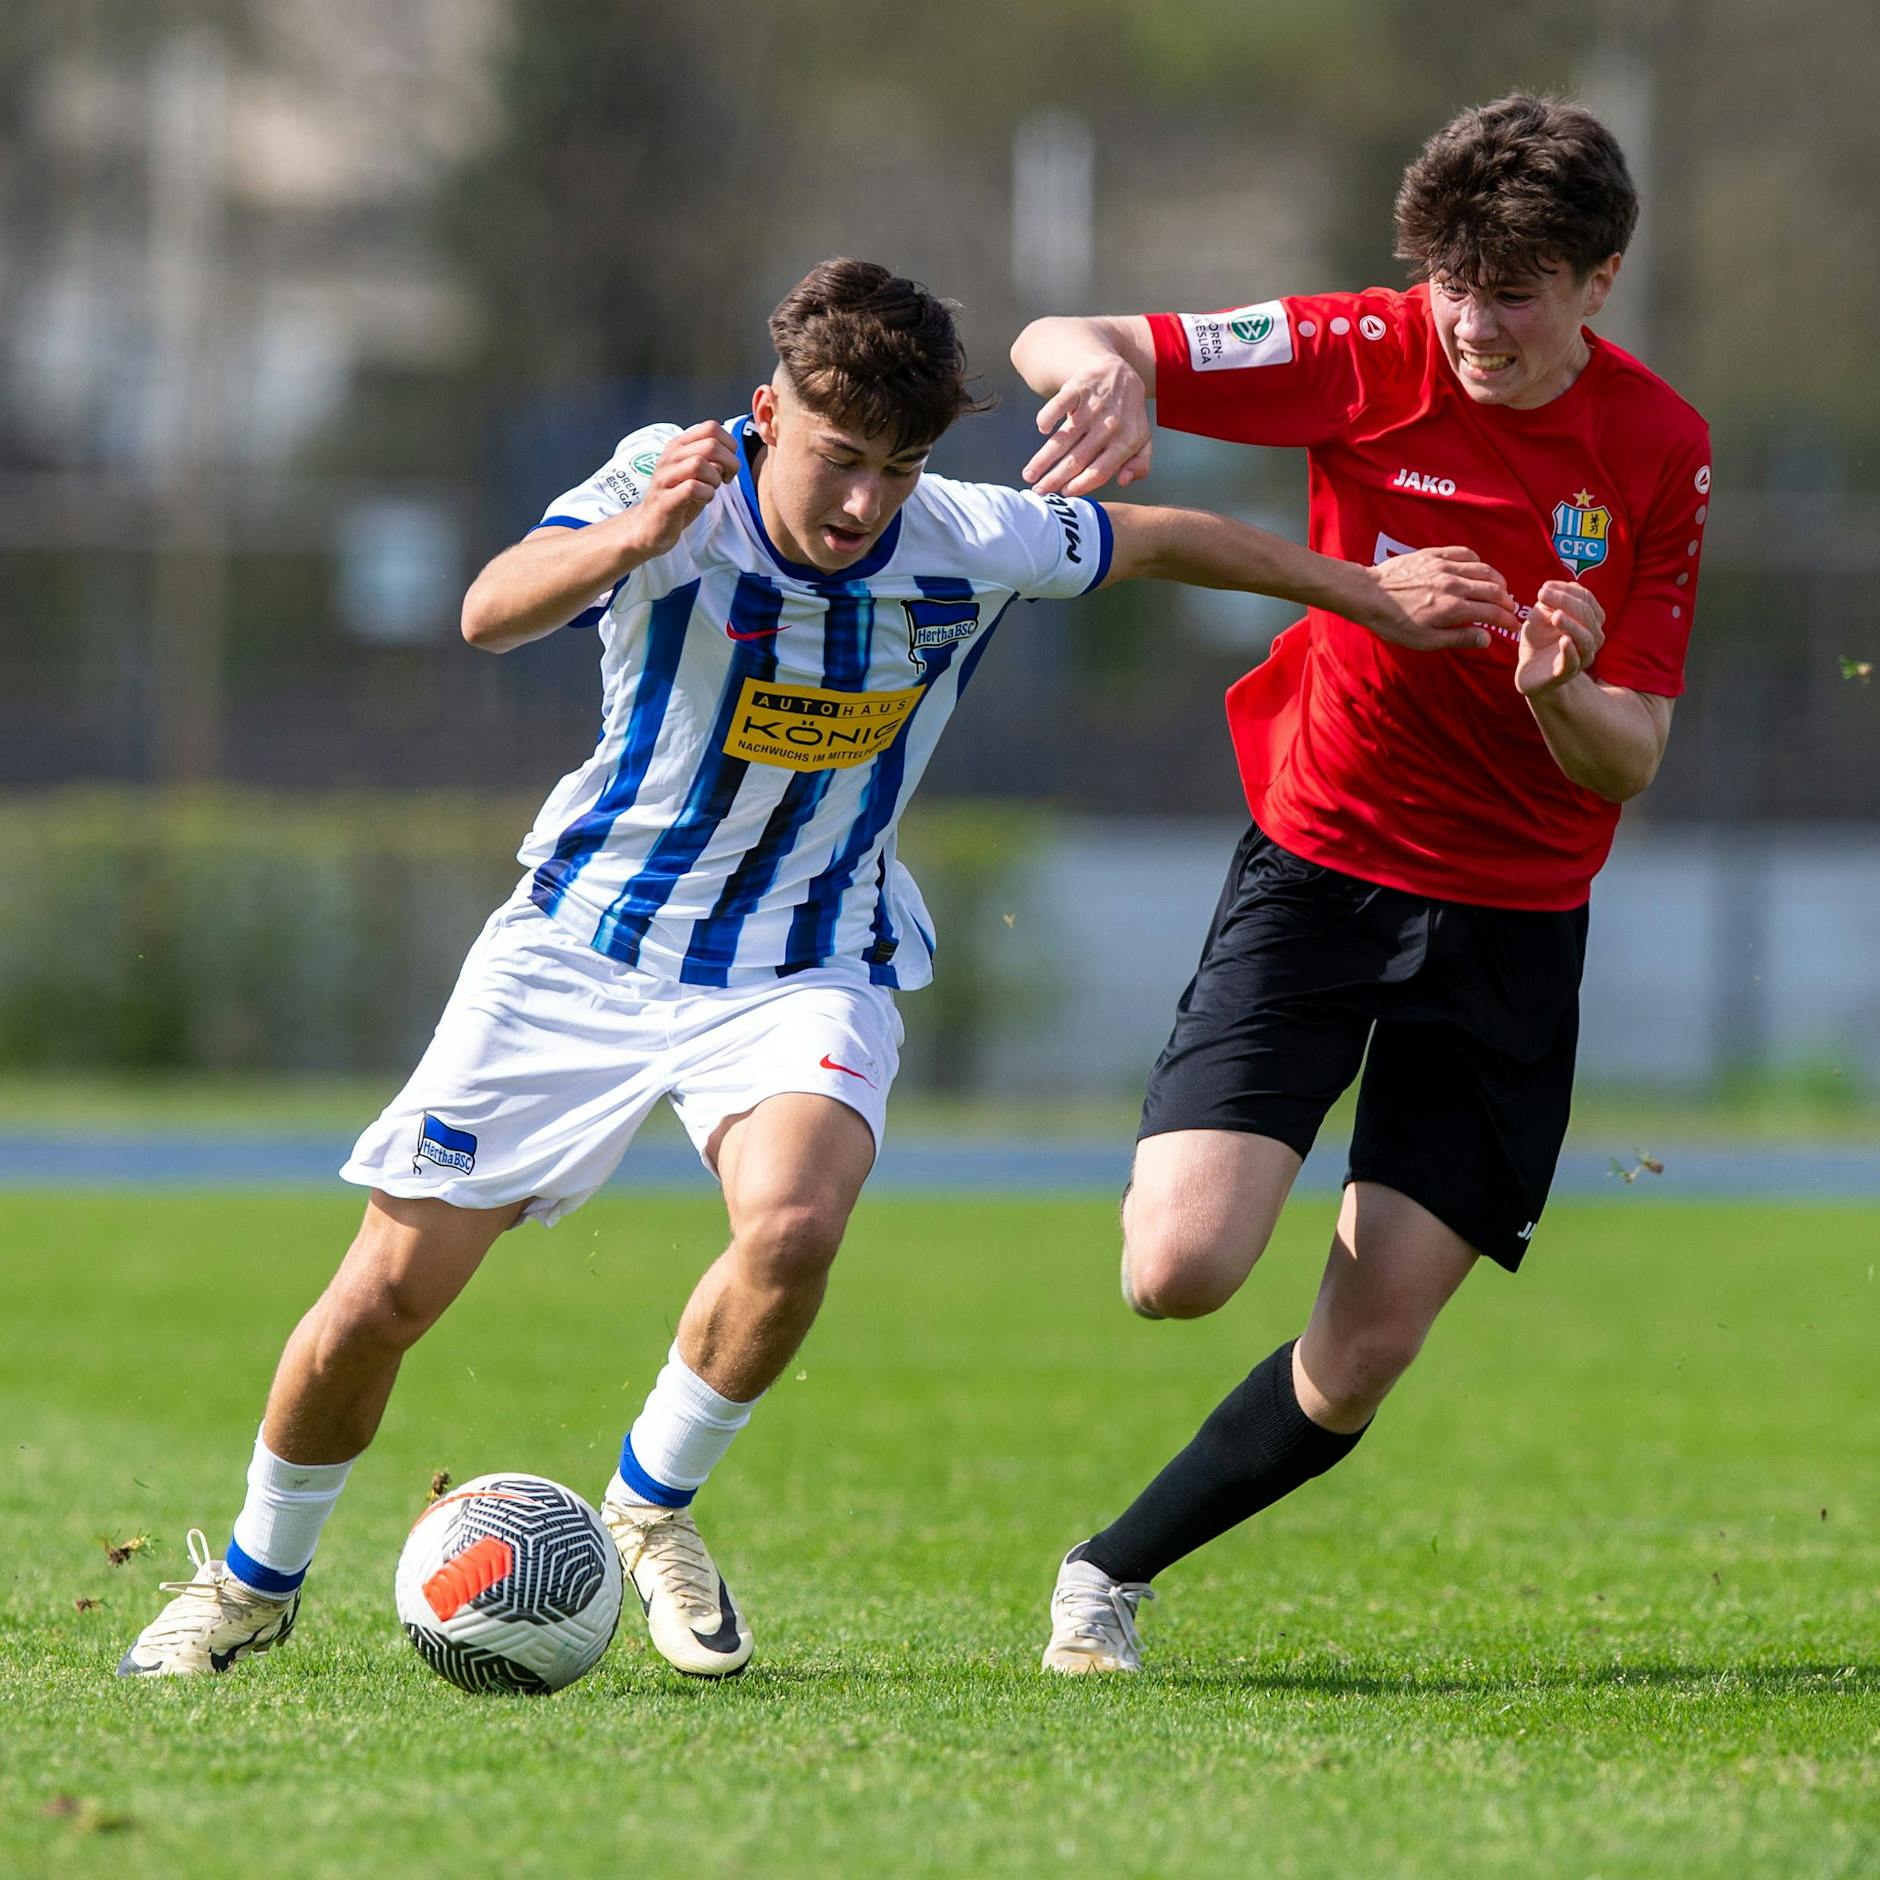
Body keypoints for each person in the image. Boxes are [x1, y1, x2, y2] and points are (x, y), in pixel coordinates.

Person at [119, 257, 1502, 1679]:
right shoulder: (671, 486)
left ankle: (648, 1511)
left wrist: (1364, 590)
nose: (864, 504)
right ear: (771, 412)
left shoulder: (966, 536)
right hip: (581, 948)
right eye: (841, 460)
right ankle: (252, 1584)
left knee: (793, 1227)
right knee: (385, 1299)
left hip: (808, 955)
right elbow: (489, 609)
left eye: (898, 469)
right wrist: (629, 537)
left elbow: (1157, 538)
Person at [1011, 94, 1712, 1673]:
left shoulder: (1660, 449)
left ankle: (1107, 1575)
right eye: (1453, 280)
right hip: (1324, 861)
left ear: (1601, 281)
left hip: (1518, 919)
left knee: (1363, 1351)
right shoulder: (1364, 347)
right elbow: (1063, 331)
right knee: (1175, 1270)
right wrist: (1109, 381)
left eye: (1516, 289)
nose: (1472, 324)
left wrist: (1548, 688)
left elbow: (1632, 758)